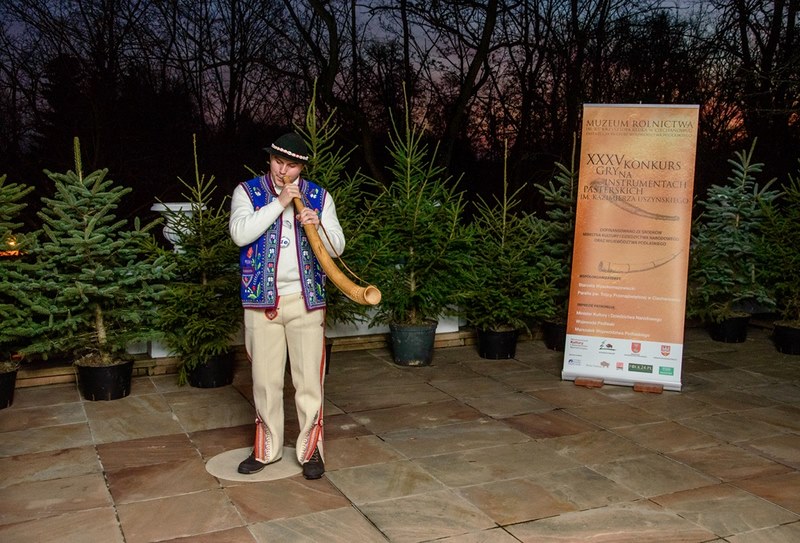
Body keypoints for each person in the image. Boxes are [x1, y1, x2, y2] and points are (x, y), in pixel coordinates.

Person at [229, 132, 345, 480]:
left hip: (306, 301)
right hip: (261, 301)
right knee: (265, 381)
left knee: (309, 380)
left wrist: (318, 226)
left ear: (302, 167)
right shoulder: (247, 192)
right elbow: (239, 233)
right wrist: (279, 203)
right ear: (269, 159)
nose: (282, 171)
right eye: (277, 162)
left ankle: (311, 451)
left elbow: (337, 248)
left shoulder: (319, 197)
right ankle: (267, 449)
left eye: (291, 165)